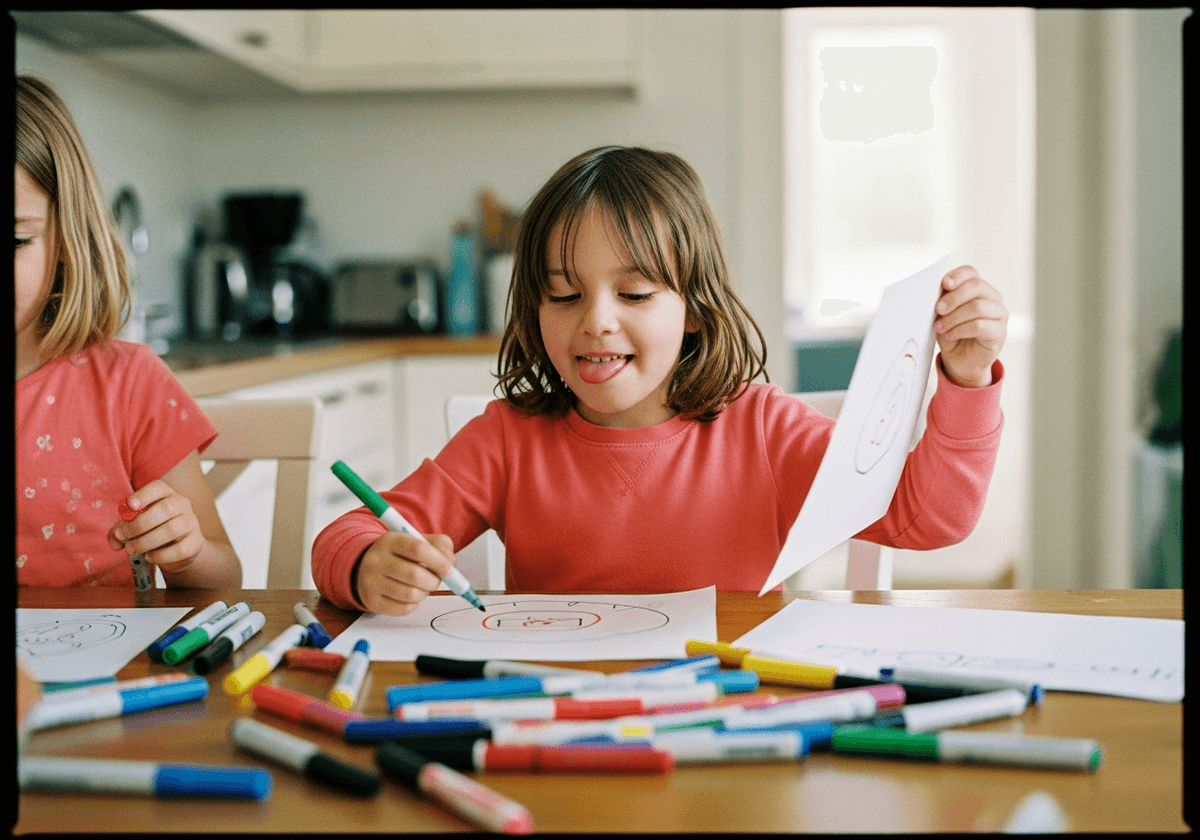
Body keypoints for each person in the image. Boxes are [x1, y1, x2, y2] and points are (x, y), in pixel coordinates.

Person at [312, 145, 1007, 615]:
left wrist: (967, 377)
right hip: (558, 728)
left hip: (734, 726)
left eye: (635, 294)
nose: (596, 322)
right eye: (563, 294)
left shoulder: (762, 429)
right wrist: (370, 564)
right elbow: (342, 534)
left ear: (695, 310)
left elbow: (930, 518)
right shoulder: (505, 440)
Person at [15, 76, 241, 588]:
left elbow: (224, 577)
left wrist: (185, 552)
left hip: (101, 665)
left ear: (67, 240)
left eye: (14, 238)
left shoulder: (129, 384)